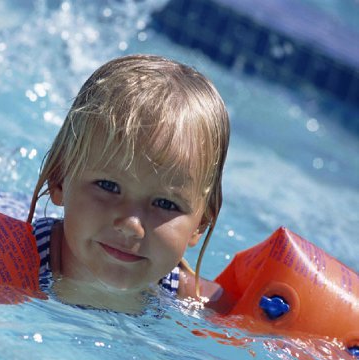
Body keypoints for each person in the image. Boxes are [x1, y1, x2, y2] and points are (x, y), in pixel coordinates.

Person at [26, 54, 232, 313]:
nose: (131, 225)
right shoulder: (14, 257)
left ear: (199, 224)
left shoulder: (192, 297)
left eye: (166, 203)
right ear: (59, 180)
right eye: (109, 186)